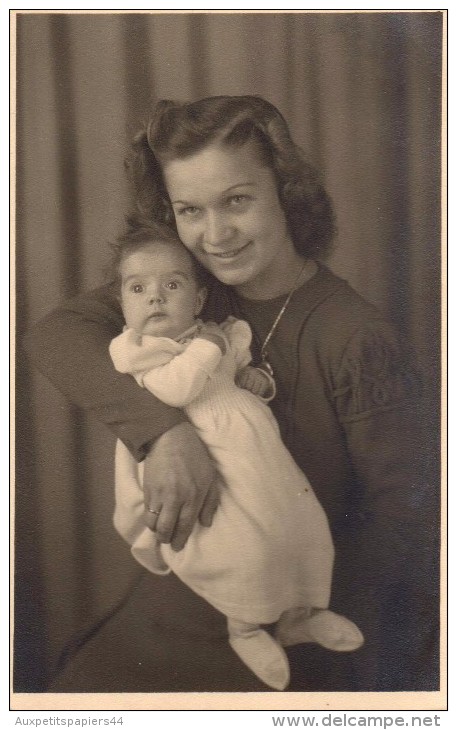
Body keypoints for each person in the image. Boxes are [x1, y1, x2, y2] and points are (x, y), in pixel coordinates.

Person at [24, 96, 438, 692]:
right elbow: (54, 334)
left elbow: (412, 532)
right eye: (190, 210)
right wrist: (162, 433)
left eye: (237, 200)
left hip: (291, 624)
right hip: (177, 599)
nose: (214, 236)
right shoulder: (185, 288)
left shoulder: (356, 336)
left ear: (286, 193)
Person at [109, 224, 364, 690]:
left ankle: (299, 617)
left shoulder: (221, 336)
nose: (155, 299)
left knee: (295, 524)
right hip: (207, 462)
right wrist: (210, 346)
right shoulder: (138, 350)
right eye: (138, 288)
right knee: (244, 549)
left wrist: (257, 384)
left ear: (199, 299)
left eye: (172, 285)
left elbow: (241, 374)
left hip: (259, 457)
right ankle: (245, 627)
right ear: (123, 302)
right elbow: (176, 388)